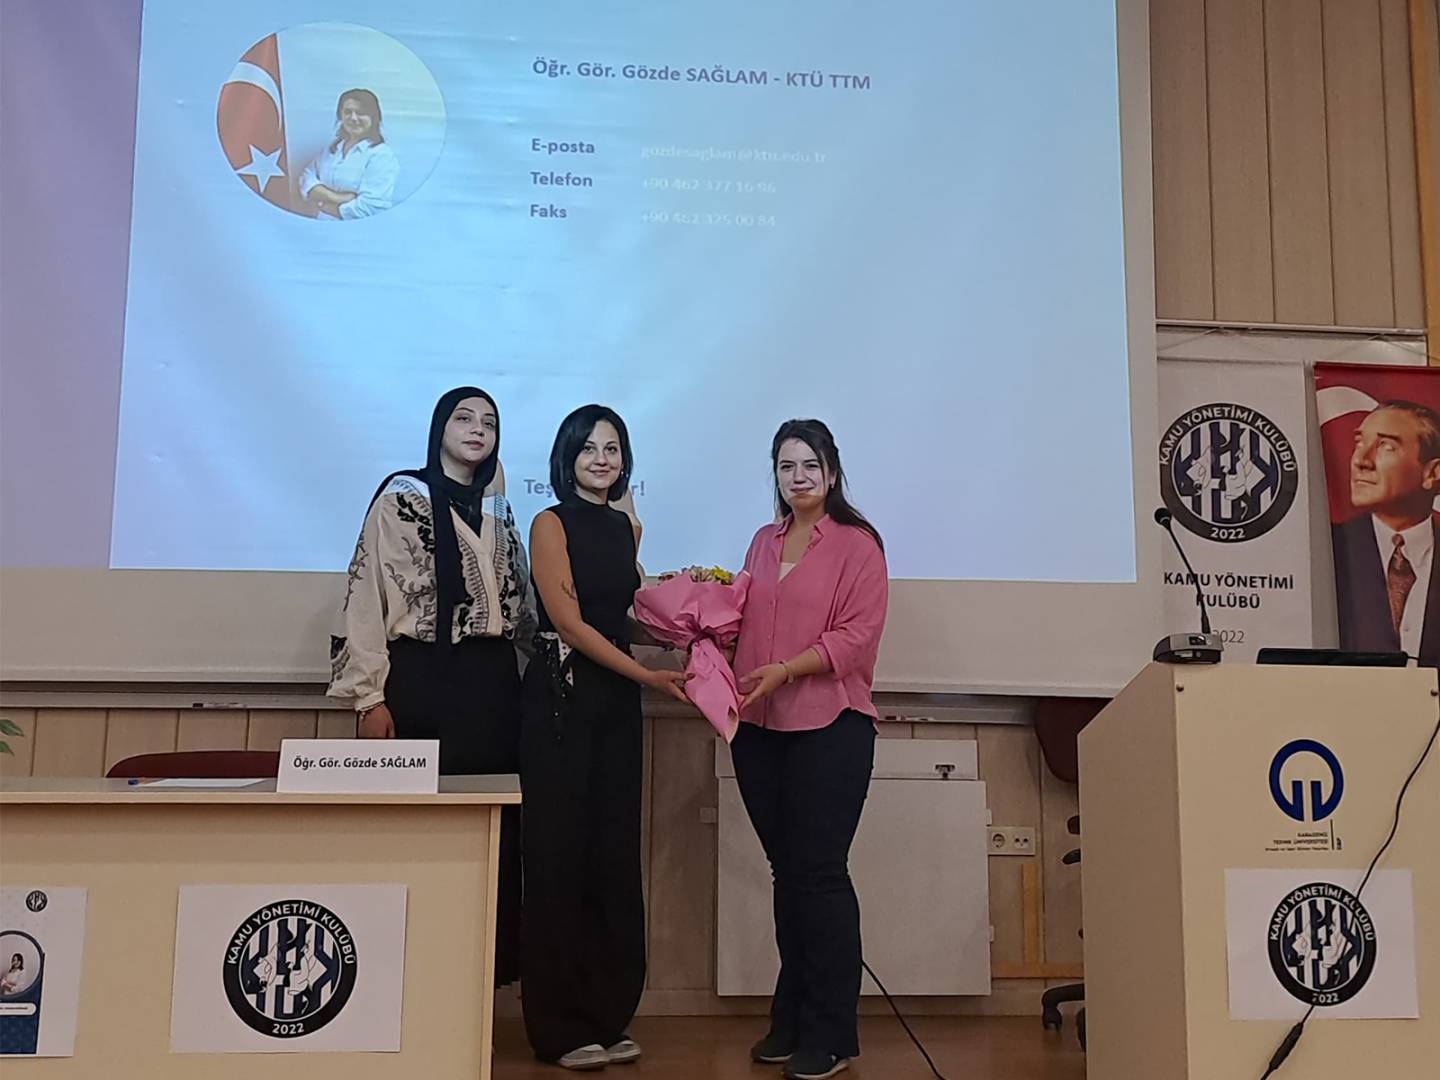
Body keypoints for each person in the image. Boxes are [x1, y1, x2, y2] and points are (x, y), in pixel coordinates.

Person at [328, 387, 534, 985]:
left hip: (492, 685)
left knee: (491, 829)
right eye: (463, 418)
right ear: (439, 427)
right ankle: (405, 976)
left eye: (489, 422)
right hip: (421, 677)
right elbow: (365, 597)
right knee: (419, 828)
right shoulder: (400, 499)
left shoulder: (500, 511)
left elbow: (521, 604)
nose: (477, 430)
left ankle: (479, 980)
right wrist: (369, 697)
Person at [519, 404, 688, 1070]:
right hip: (562, 698)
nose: (601, 458)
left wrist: (690, 638)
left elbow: (622, 618)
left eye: (612, 448)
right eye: (589, 447)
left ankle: (608, 1016)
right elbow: (569, 622)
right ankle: (559, 1028)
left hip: (615, 699)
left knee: (613, 854)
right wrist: (649, 676)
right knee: (558, 855)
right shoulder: (549, 522)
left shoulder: (625, 526)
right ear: (567, 457)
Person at [729, 419, 888, 1080]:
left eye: (810, 465)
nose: (798, 477)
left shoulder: (858, 544)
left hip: (831, 726)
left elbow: (856, 636)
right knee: (786, 875)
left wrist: (788, 669)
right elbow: (739, 617)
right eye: (786, 466)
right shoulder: (762, 542)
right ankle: (791, 1021)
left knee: (819, 876)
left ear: (832, 471)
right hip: (758, 730)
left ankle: (831, 1033)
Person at [1331, 400, 1440, 664]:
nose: (1361, 461)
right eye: (1359, 443)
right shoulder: (1327, 550)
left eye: (1386, 446)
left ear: (1432, 473)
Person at [299, 88, 399, 219]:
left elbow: (371, 207)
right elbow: (306, 178)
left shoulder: (381, 156)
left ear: (374, 117)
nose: (353, 118)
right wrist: (336, 197)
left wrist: (326, 206)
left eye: (361, 113)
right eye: (347, 112)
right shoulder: (331, 149)